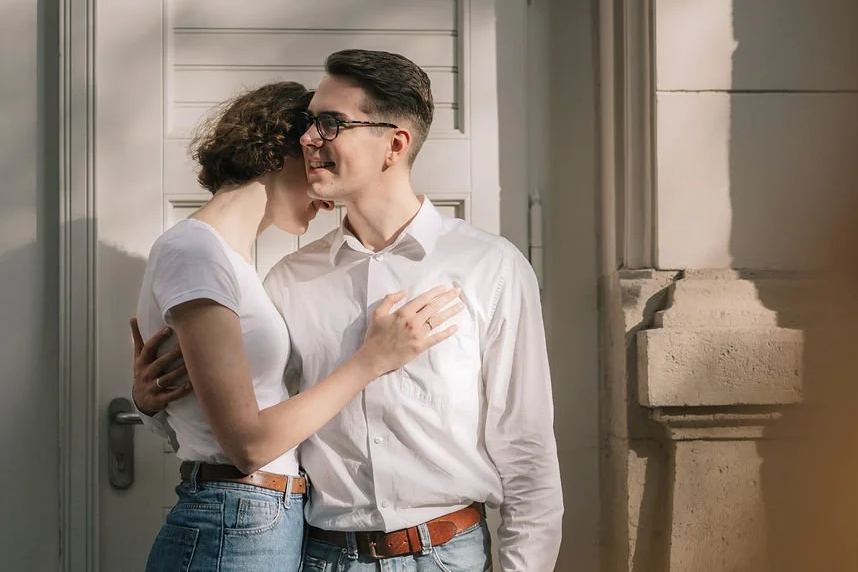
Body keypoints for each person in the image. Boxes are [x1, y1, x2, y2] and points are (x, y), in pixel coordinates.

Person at [135, 50, 563, 571]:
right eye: (310, 122)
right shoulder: (288, 281)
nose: (307, 138)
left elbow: (526, 450)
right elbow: (248, 432)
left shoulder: (488, 266)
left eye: (330, 123)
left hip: (447, 555)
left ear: (394, 144)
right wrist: (156, 405)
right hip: (321, 556)